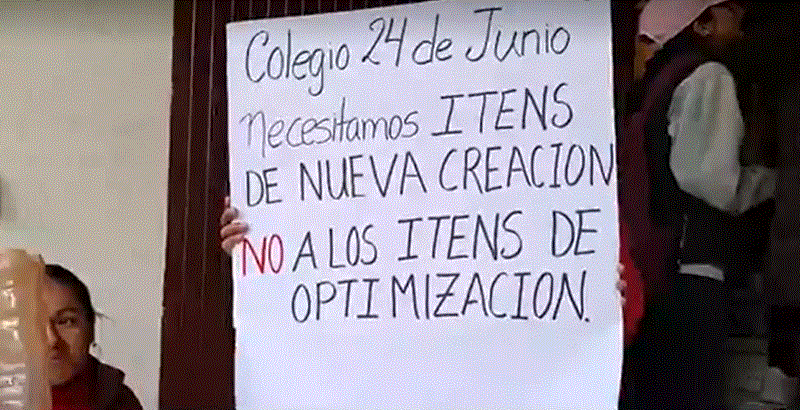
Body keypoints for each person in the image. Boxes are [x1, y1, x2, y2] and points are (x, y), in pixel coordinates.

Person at [619, 1, 776, 409]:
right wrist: (774, 183)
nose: (740, 25)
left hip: (652, 268)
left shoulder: (654, 81)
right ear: (701, 23)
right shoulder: (709, 77)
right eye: (730, 13)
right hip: (693, 272)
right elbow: (711, 180)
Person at [43, 264, 142, 410]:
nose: (52, 339)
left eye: (66, 321)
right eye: (34, 323)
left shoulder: (117, 401)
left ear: (91, 327)